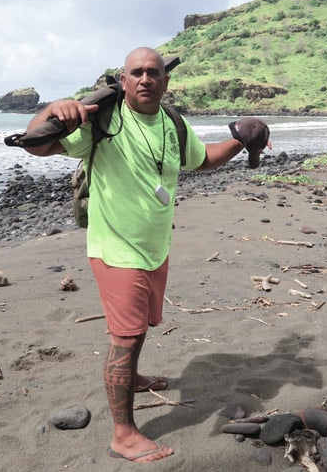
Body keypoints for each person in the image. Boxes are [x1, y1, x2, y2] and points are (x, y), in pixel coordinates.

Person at [22, 47, 270, 463]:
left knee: (140, 327)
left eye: (153, 72)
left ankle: (132, 377)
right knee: (128, 335)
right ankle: (123, 434)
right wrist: (53, 109)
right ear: (123, 80)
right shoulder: (104, 118)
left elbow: (202, 160)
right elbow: (36, 146)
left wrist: (240, 140)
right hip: (116, 248)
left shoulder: (172, 123)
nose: (145, 79)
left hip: (155, 247)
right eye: (136, 72)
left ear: (165, 81)